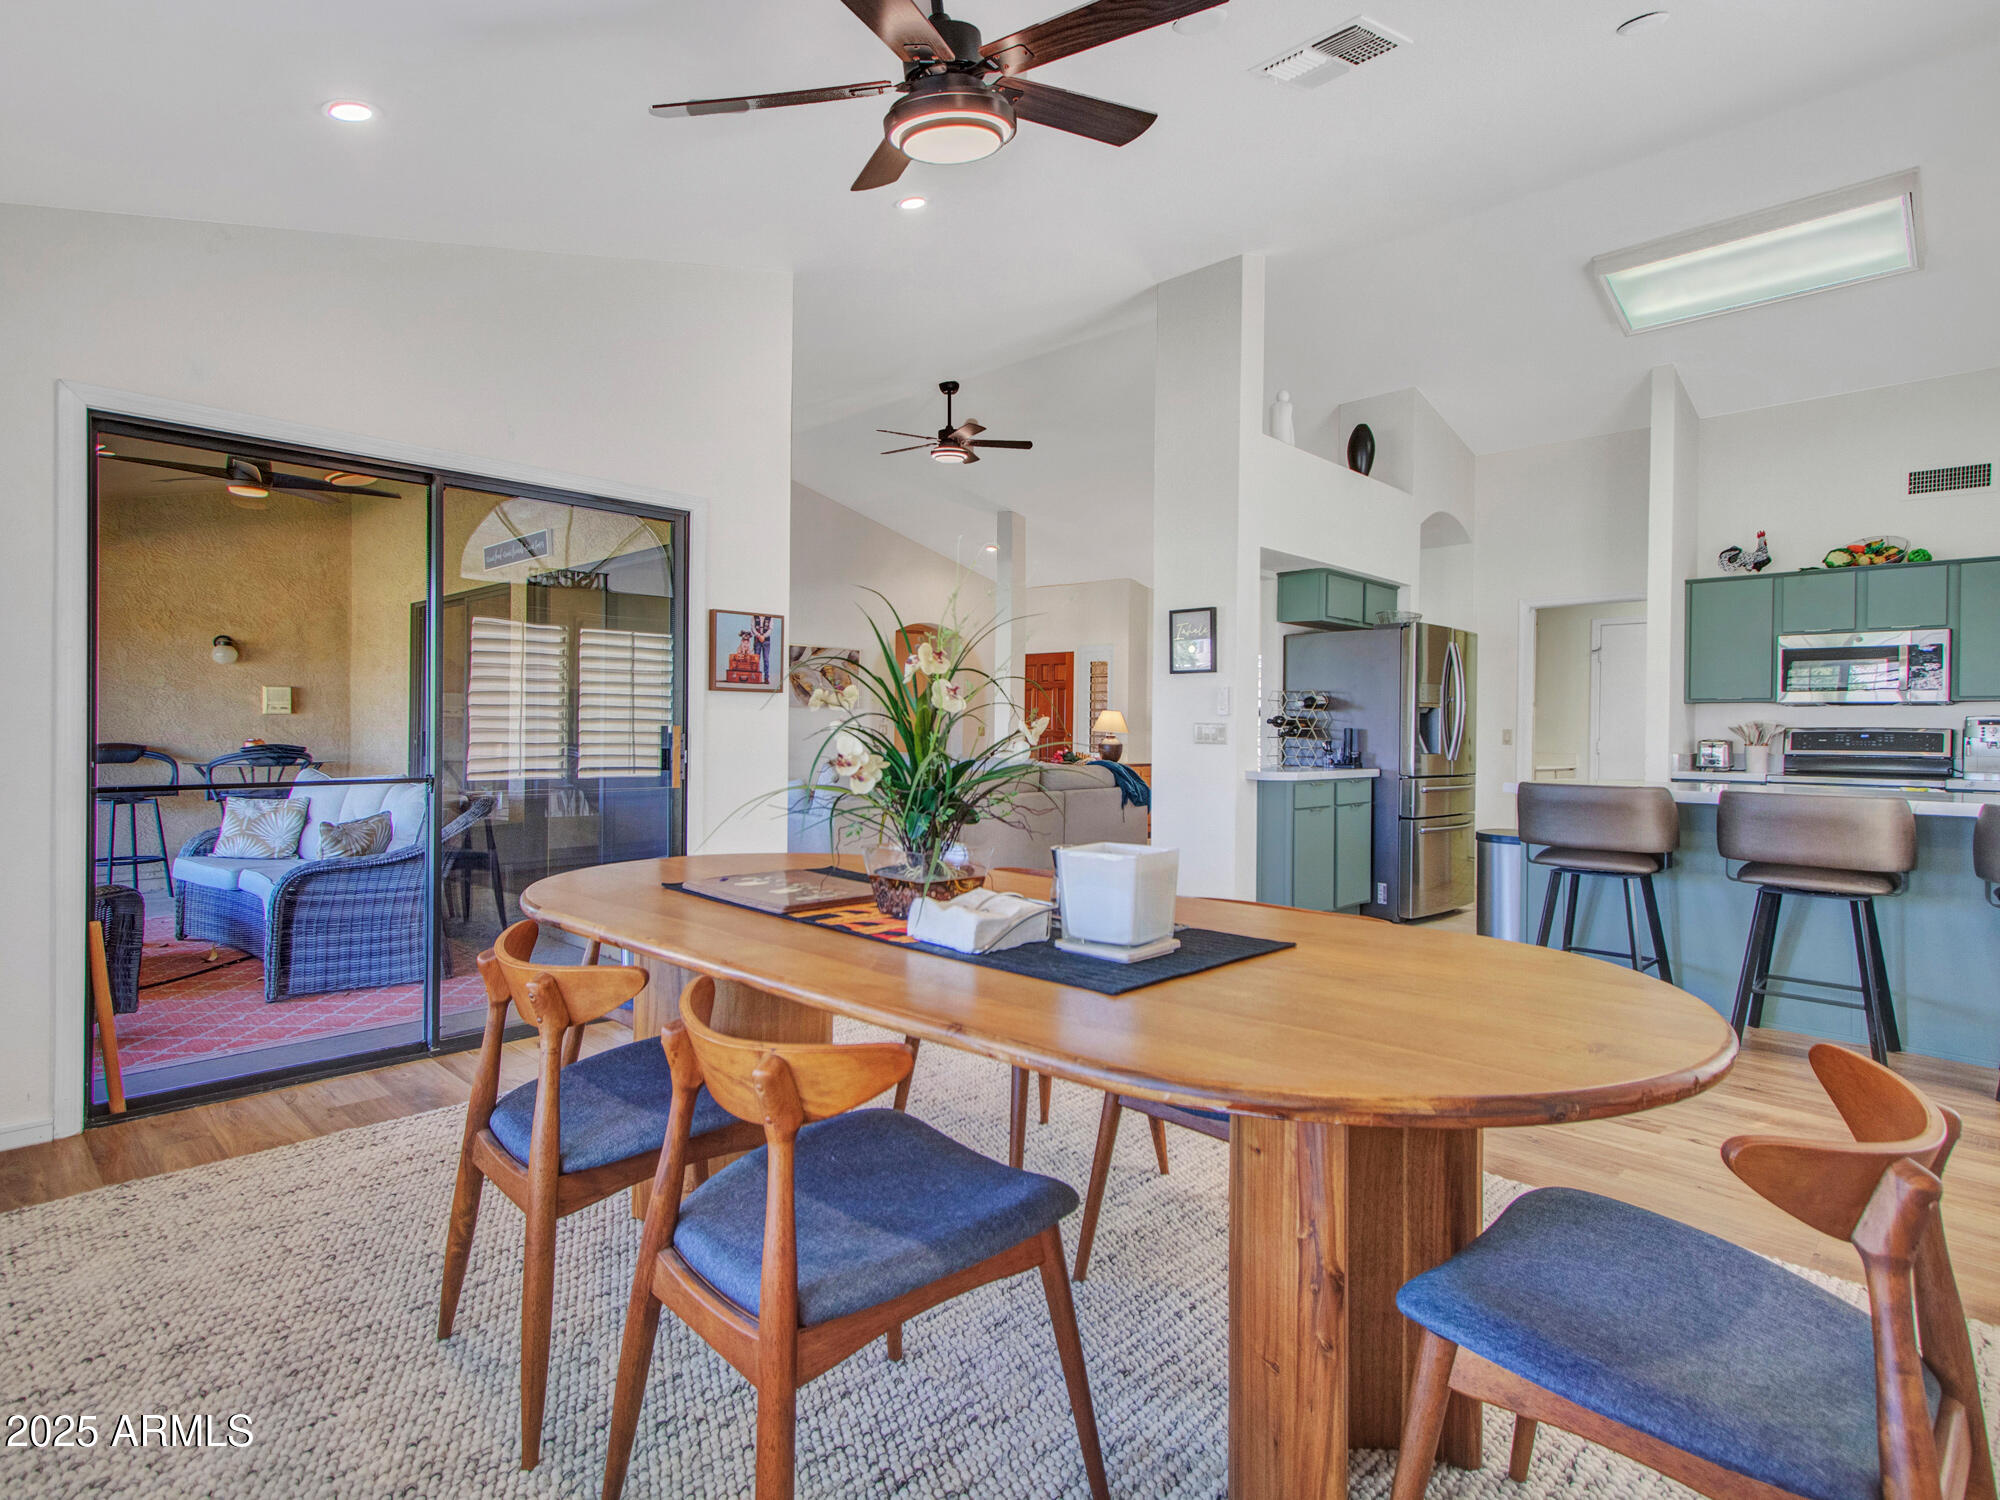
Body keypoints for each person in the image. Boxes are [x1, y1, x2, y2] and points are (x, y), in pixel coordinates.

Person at [752, 615, 773, 683]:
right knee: (756, 659)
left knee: (766, 659)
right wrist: (758, 635)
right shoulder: (754, 617)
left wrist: (763, 636)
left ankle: (766, 678)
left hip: (766, 640)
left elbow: (770, 629)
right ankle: (755, 676)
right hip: (757, 640)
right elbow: (753, 628)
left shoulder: (770, 617)